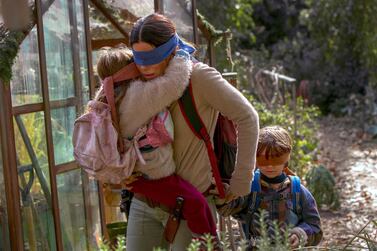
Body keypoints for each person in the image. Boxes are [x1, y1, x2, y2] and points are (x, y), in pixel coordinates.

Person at [123, 13, 259, 250]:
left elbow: (247, 117)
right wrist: (117, 171)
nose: (144, 66)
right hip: (144, 202)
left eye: (152, 58)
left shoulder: (198, 77)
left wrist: (241, 182)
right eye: (139, 58)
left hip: (191, 205)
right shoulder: (135, 80)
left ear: (171, 50)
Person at [94, 47, 218, 240]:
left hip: (137, 176)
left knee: (195, 204)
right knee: (197, 205)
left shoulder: (106, 98)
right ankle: (209, 244)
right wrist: (181, 56)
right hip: (155, 175)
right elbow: (173, 85)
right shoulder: (135, 96)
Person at [217, 126, 323, 249]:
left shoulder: (298, 191)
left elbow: (315, 227)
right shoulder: (249, 188)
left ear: (287, 158)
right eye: (263, 159)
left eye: (277, 159)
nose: (270, 166)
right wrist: (222, 195)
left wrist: (300, 234)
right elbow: (228, 208)